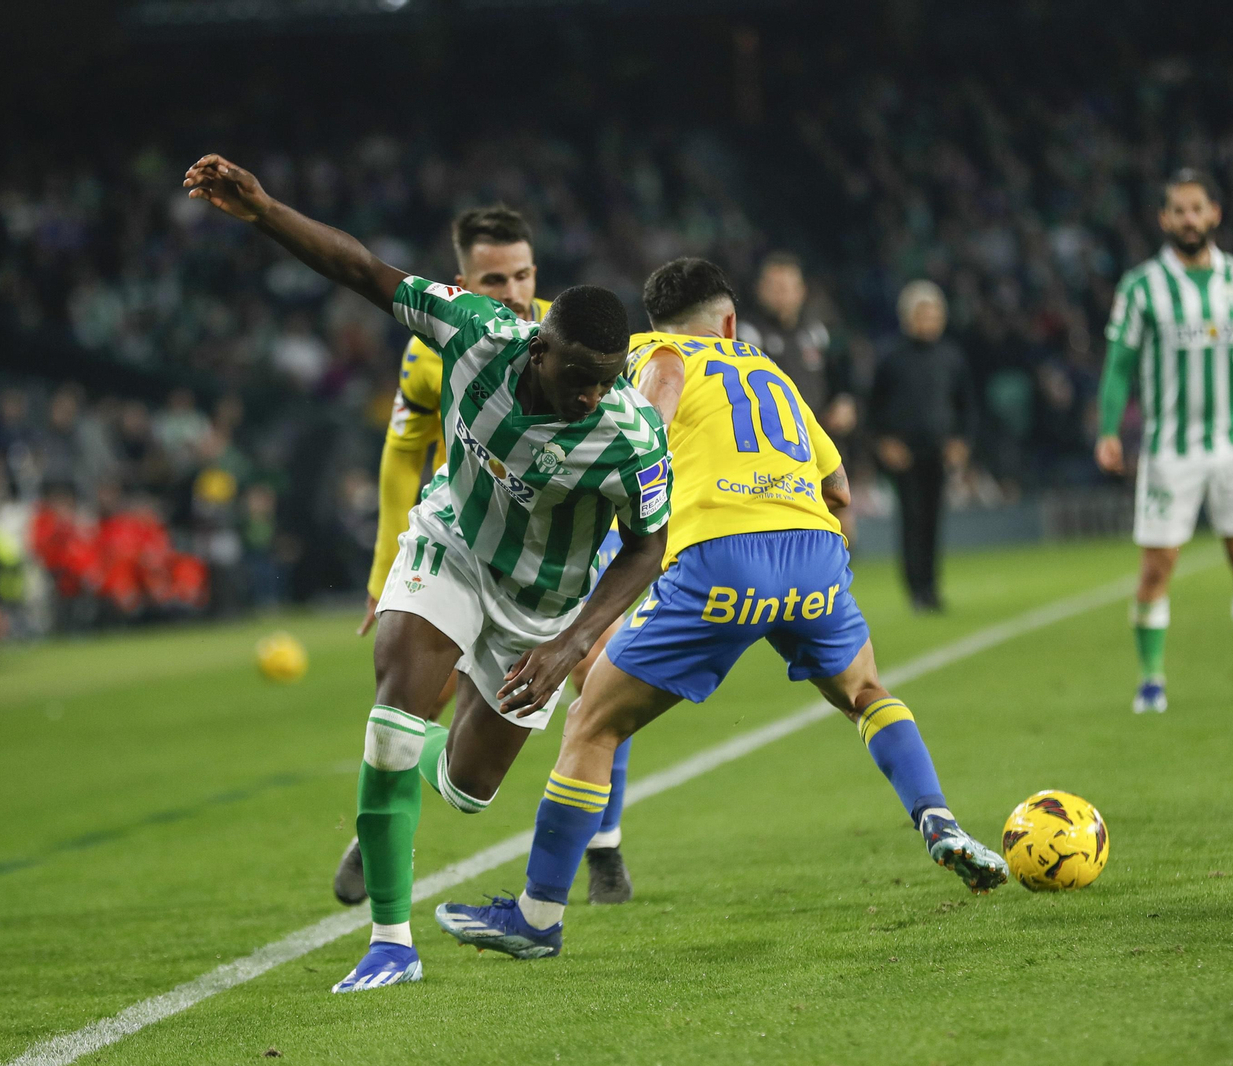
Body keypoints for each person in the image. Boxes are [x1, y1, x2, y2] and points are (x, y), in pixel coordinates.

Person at [183, 154, 672, 993]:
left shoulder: (628, 436)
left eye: (605, 380)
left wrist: (569, 644)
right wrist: (264, 209)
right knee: (390, 728)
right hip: (451, 546)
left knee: (467, 788)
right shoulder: (473, 330)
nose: (592, 396)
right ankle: (390, 942)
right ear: (540, 346)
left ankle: (418, 779)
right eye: (579, 377)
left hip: (539, 607)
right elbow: (359, 267)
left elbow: (646, 547)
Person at [433, 257, 1006, 960]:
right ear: (730, 322)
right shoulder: (770, 370)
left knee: (591, 723)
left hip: (720, 559)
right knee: (864, 691)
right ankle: (939, 820)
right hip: (813, 553)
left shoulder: (654, 351)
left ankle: (537, 917)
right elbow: (842, 488)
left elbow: (658, 396)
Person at [336, 205, 639, 910]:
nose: (512, 290)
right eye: (494, 278)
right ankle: (385, 815)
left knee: (602, 681)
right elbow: (402, 453)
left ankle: (603, 846)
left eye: (524, 273)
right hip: (468, 544)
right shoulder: (439, 343)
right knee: (418, 696)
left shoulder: (572, 344)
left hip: (562, 558)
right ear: (462, 281)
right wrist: (385, 572)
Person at [1096, 169, 1233, 714]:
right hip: (1170, 449)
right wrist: (1107, 430)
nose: (1189, 219)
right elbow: (1119, 364)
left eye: (1198, 209)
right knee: (1156, 567)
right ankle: (1151, 682)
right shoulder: (1142, 286)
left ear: (1215, 213)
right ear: (1164, 219)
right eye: (1179, 211)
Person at [869, 280, 977, 611]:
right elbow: (873, 405)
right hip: (903, 454)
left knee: (933, 519)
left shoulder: (952, 357)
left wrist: (963, 442)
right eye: (921, 313)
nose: (928, 320)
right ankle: (916, 589)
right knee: (912, 519)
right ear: (907, 317)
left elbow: (967, 405)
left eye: (933, 314)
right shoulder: (891, 357)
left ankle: (931, 586)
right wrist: (883, 442)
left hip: (939, 451)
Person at [736, 252, 856, 437]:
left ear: (801, 291)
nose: (780, 294)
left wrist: (844, 402)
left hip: (819, 441)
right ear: (759, 289)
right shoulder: (745, 336)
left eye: (786, 287)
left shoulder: (817, 333)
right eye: (773, 287)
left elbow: (841, 378)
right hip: (770, 442)